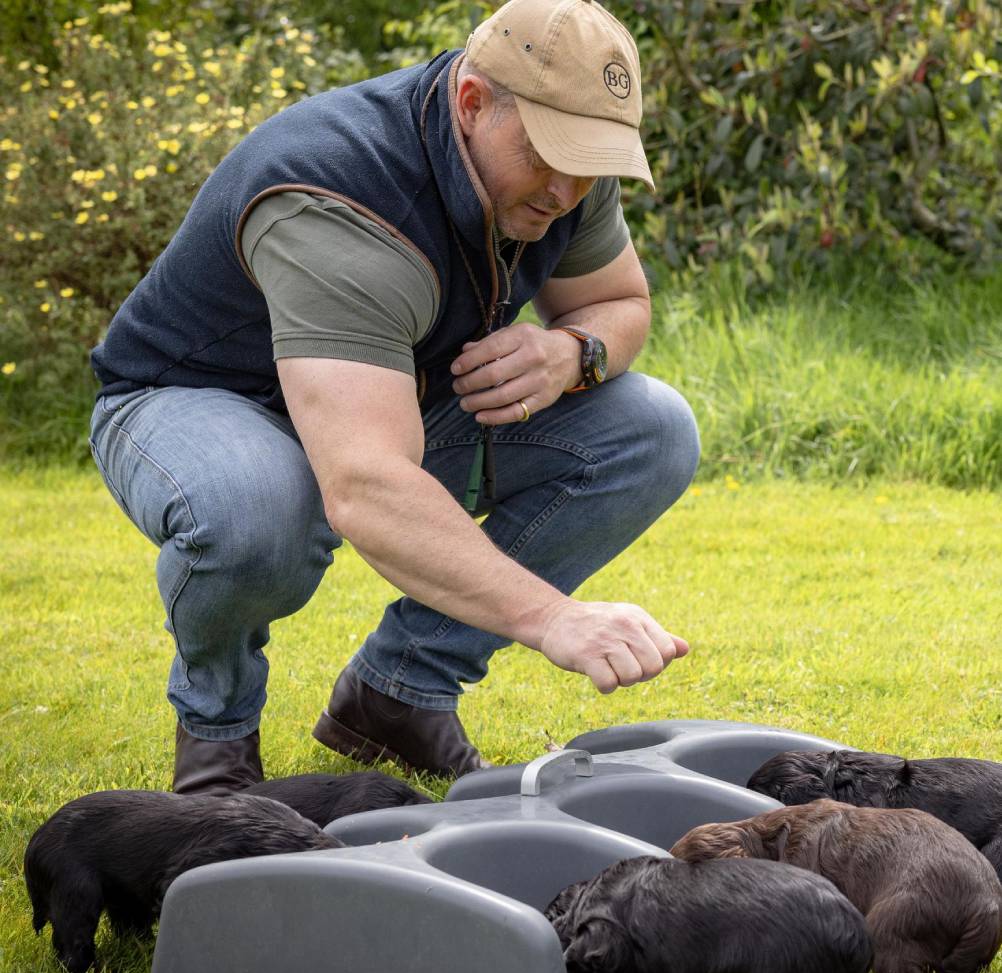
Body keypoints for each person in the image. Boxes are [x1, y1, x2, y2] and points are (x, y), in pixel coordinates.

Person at [88, 0, 700, 793]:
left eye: (593, 161)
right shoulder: (339, 193)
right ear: (473, 103)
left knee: (648, 429)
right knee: (258, 506)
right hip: (193, 402)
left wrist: (568, 353)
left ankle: (398, 695)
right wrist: (555, 619)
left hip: (385, 400)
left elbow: (621, 305)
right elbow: (368, 484)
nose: (566, 188)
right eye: (550, 153)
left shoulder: (567, 181)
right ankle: (218, 737)